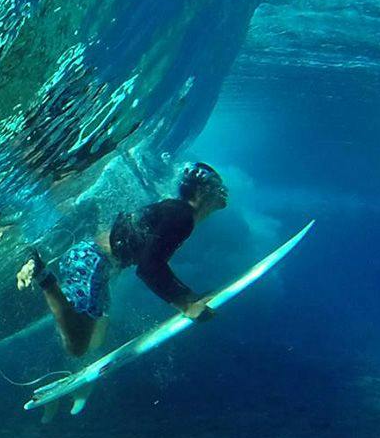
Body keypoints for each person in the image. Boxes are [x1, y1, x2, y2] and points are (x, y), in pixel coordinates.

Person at [17, 163, 229, 391]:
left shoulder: (175, 209)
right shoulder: (182, 217)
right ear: (201, 192)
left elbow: (152, 261)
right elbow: (149, 268)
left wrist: (189, 296)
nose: (218, 201)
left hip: (96, 261)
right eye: (215, 194)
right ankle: (42, 275)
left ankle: (79, 379)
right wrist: (186, 304)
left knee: (96, 337)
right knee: (77, 346)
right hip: (92, 261)